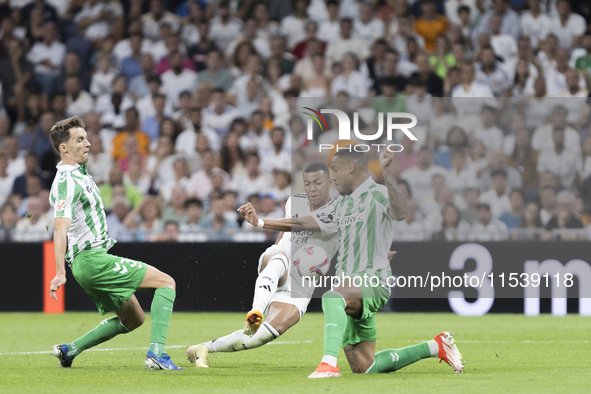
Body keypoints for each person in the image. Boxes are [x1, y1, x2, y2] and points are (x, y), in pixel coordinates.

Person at [240, 149, 464, 377]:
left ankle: (328, 364)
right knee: (366, 367)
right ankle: (436, 346)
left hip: (373, 281)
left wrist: (386, 172)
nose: (332, 177)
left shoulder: (378, 194)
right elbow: (301, 223)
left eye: (335, 170)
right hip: (350, 288)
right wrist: (260, 222)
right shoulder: (339, 206)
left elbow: (400, 212)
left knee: (331, 296)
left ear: (350, 168)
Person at [47, 116, 182, 370]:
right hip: (91, 260)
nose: (88, 143)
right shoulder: (67, 180)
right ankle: (157, 354)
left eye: (86, 137)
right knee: (166, 282)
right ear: (64, 148)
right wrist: (59, 272)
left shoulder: (79, 174)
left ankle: (69, 351)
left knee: (134, 319)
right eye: (80, 139)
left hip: (90, 263)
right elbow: (59, 227)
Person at [186, 162, 339, 366]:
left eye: (318, 182)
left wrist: (260, 222)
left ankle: (202, 348)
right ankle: (256, 311)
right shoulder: (294, 202)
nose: (312, 187)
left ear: (330, 183)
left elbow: (301, 224)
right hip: (279, 261)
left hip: (301, 286)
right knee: (279, 258)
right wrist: (275, 248)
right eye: (307, 183)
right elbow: (286, 231)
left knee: (263, 335)